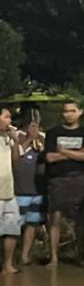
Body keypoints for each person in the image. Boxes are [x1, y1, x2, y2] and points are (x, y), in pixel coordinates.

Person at [43, 99, 84, 268]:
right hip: (58, 179)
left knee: (81, 220)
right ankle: (54, 258)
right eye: (65, 111)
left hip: (80, 178)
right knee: (55, 218)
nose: (69, 114)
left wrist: (63, 151)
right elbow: (50, 157)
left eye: (72, 111)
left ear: (80, 112)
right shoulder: (53, 133)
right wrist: (76, 153)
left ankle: (80, 255)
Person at [14, 115, 46, 267]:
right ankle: (11, 254)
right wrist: (28, 139)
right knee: (15, 225)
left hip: (37, 190)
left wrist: (39, 142)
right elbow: (15, 157)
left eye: (36, 125)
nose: (34, 128)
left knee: (32, 224)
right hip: (19, 190)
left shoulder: (43, 138)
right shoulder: (16, 136)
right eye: (31, 125)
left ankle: (25, 255)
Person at [1, 108, 19, 273]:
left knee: (11, 229)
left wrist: (15, 141)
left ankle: (8, 264)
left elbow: (15, 160)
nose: (10, 121)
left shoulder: (8, 138)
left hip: (9, 191)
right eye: (6, 117)